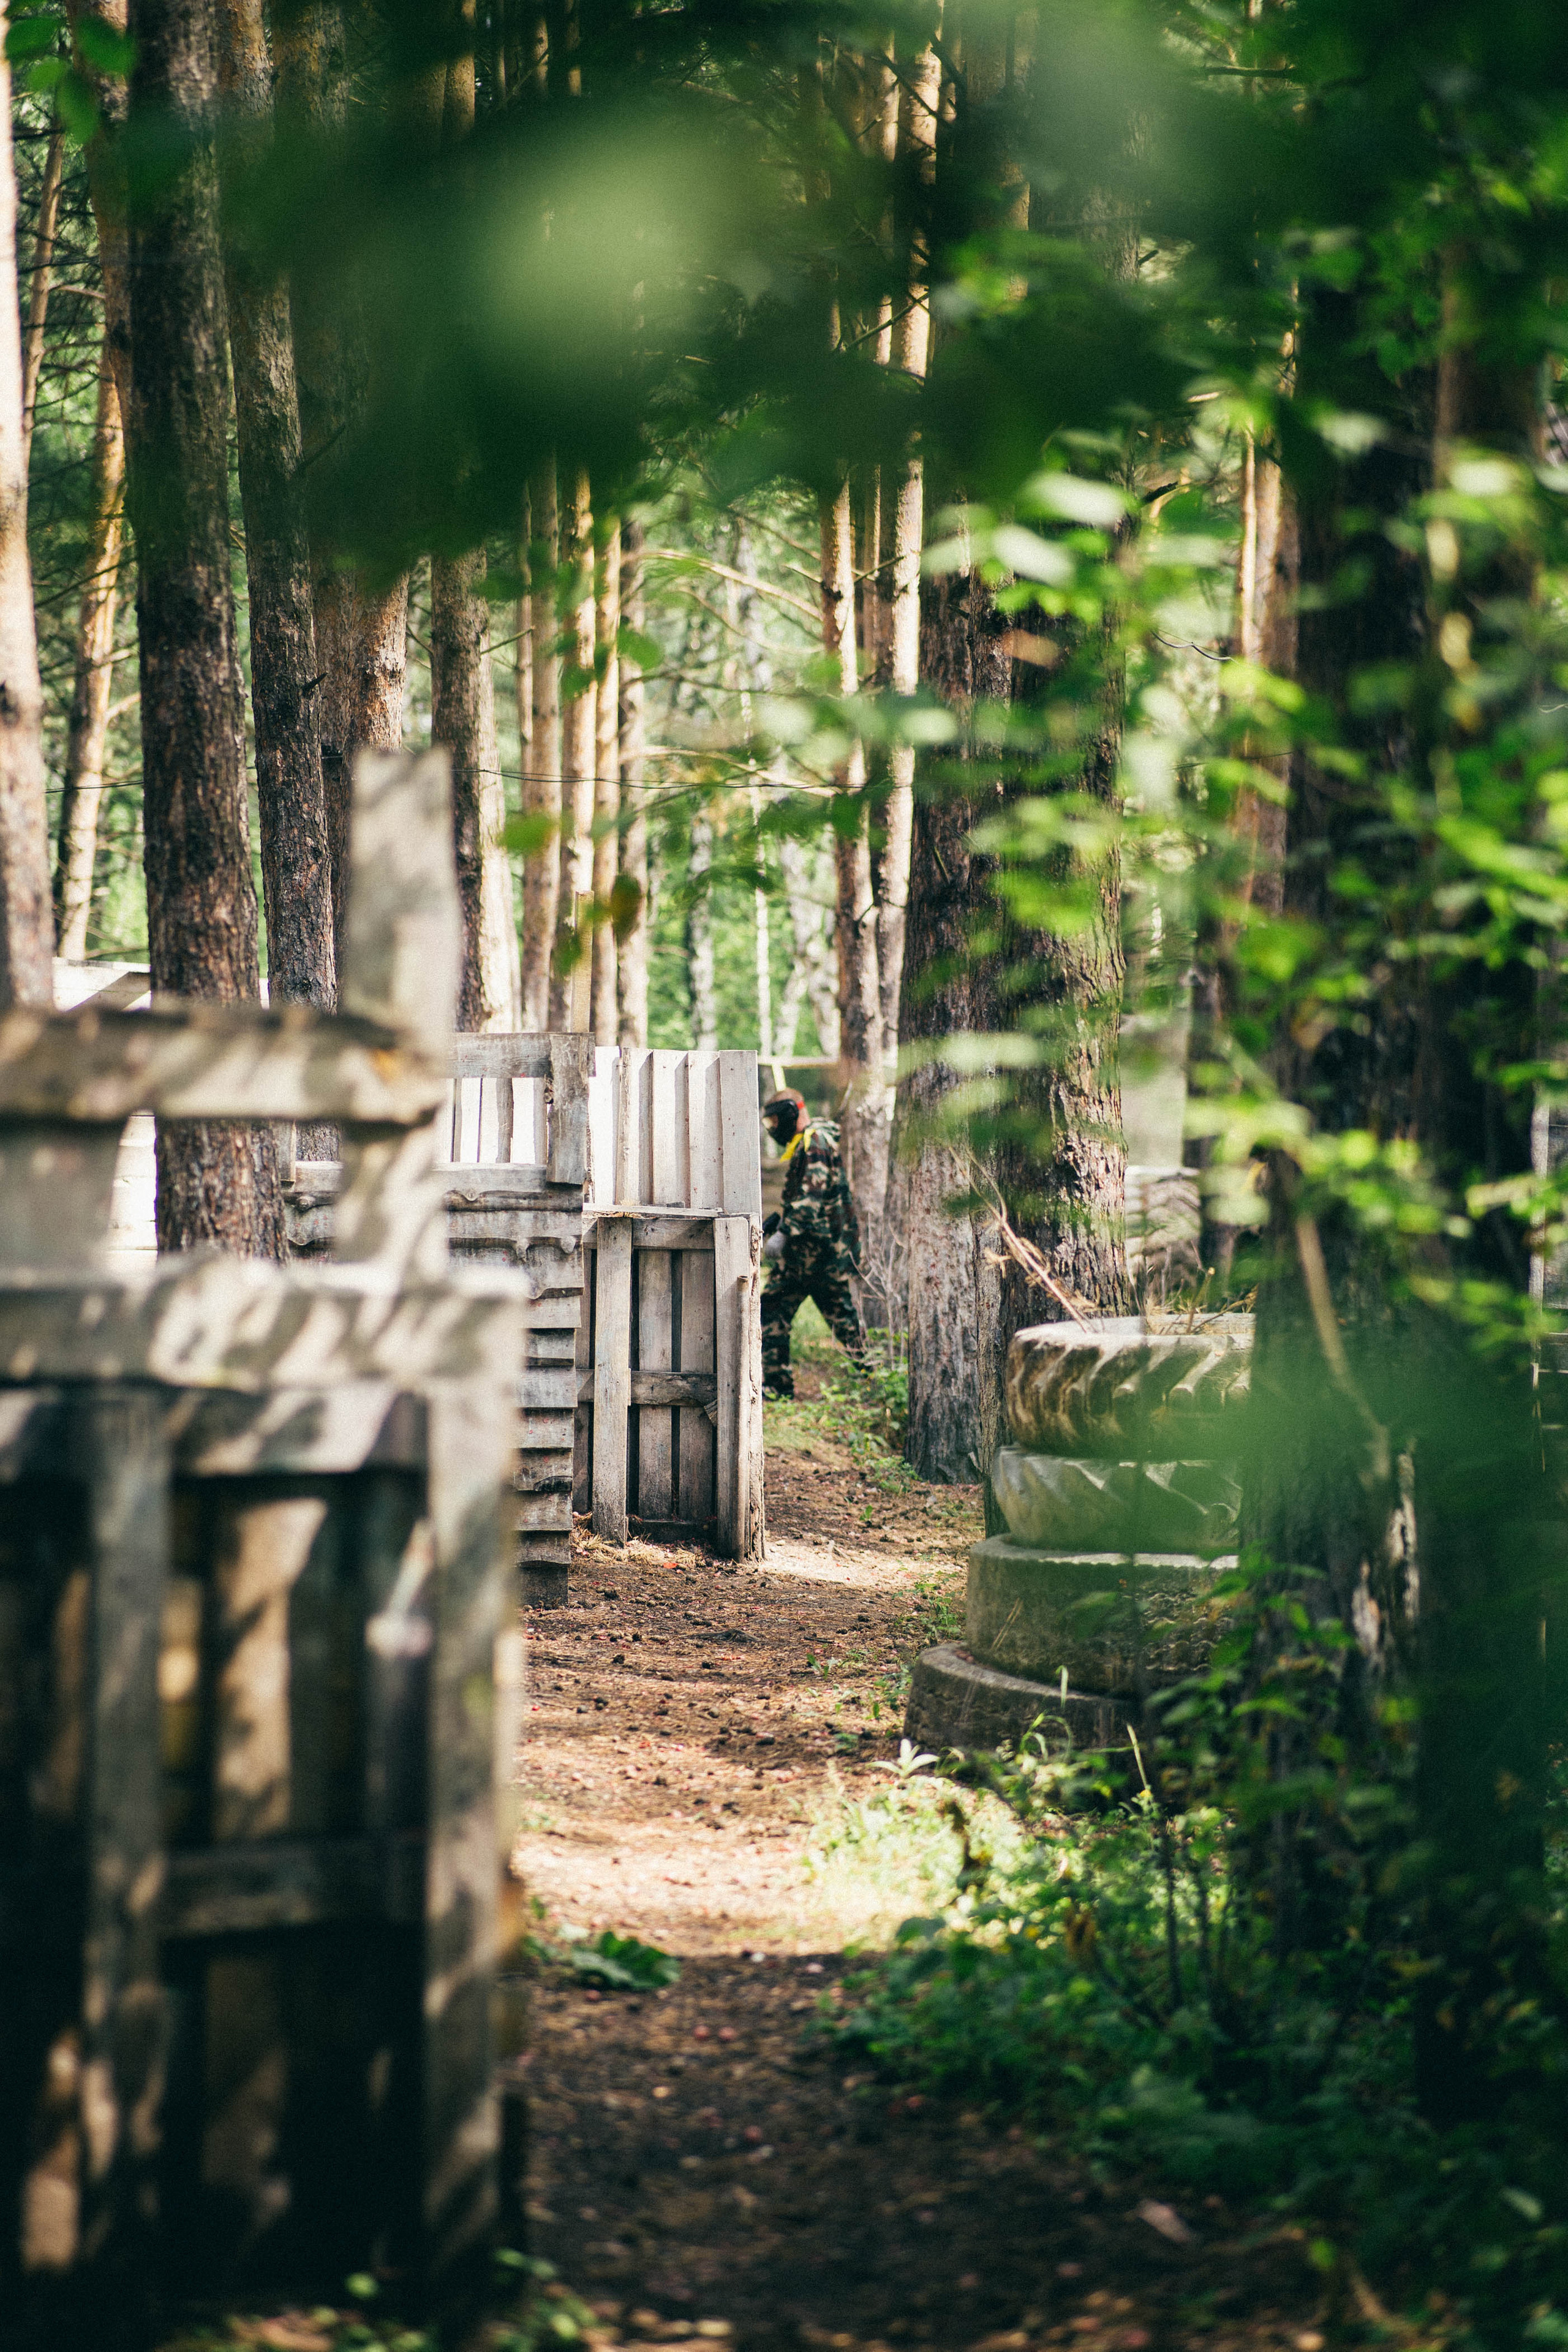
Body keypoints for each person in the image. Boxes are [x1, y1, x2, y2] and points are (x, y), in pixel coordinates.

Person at [760, 1088, 865, 1400]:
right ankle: (873, 1381)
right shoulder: (811, 1142)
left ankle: (779, 1388)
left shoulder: (815, 1141)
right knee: (841, 1320)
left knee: (777, 1308)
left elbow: (811, 1199)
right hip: (818, 1251)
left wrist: (783, 1235)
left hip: (815, 1253)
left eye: (776, 1120)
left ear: (793, 1112)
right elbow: (808, 1197)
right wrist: (779, 1222)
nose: (774, 1127)